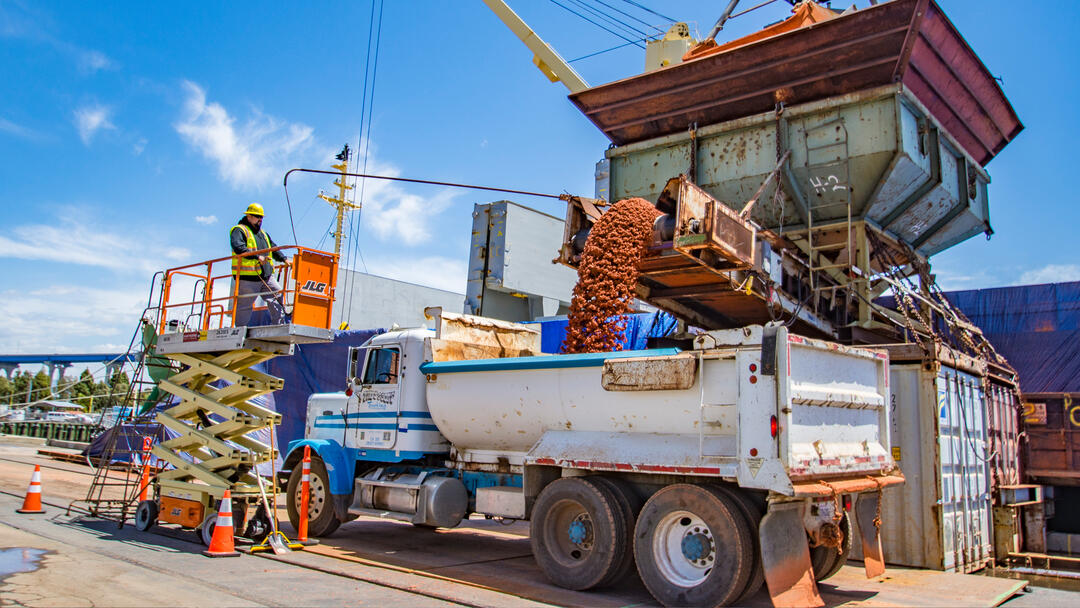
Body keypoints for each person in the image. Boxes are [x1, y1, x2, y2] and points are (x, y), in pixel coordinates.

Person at [230, 203, 289, 326]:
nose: (260, 220)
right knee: (244, 306)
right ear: (249, 216)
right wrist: (257, 256)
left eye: (261, 217)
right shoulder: (239, 230)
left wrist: (284, 259)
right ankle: (239, 332)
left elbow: (273, 248)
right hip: (248, 277)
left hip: (266, 276)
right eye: (257, 216)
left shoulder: (263, 234)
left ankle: (278, 327)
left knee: (278, 296)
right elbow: (239, 247)